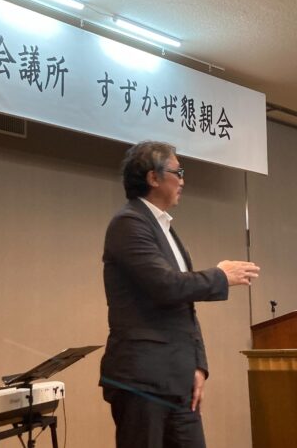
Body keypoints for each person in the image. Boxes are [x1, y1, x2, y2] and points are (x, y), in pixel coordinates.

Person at [99, 141, 260, 448]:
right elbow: (166, 286)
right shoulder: (128, 223)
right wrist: (220, 275)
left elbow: (185, 308)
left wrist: (198, 365)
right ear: (153, 178)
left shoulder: (166, 229)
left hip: (178, 379)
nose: (183, 180)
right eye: (178, 172)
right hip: (142, 380)